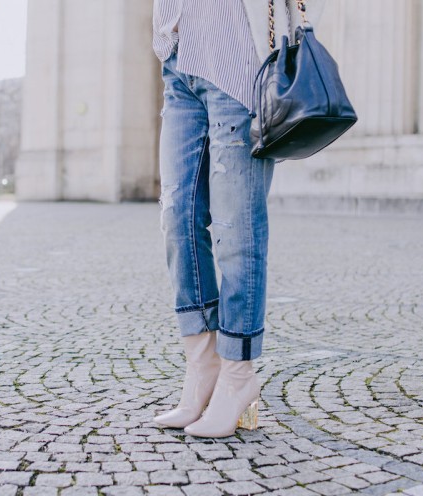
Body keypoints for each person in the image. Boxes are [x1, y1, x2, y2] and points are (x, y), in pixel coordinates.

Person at [152, 0, 325, 438]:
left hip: (237, 63)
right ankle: (202, 360)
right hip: (178, 59)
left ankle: (237, 373)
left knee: (236, 228)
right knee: (177, 215)